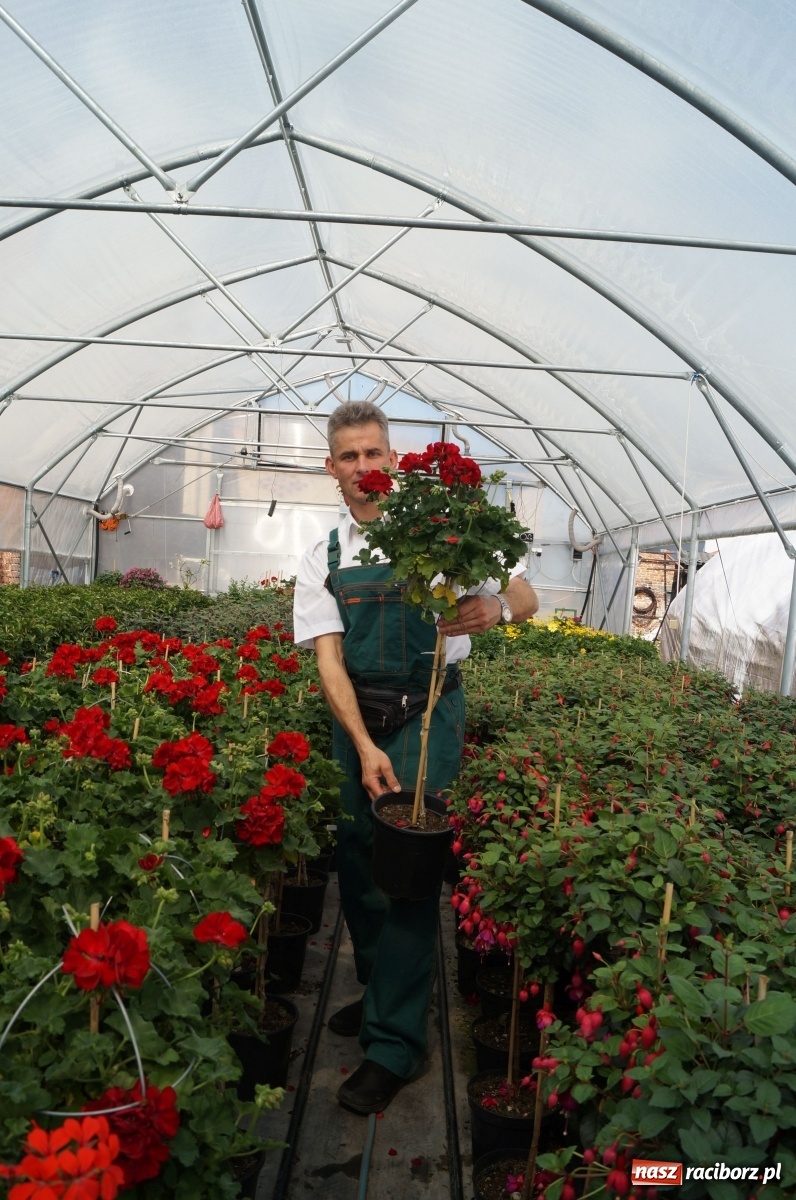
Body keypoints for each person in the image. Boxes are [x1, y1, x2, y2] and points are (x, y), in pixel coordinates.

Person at [293, 401, 538, 1114]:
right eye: (350, 458)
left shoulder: (444, 531)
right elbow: (329, 663)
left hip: (428, 715)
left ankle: (396, 1043)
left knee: (408, 866)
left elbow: (525, 589)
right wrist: (363, 745)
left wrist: (499, 610)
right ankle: (381, 997)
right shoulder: (325, 554)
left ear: (393, 460)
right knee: (358, 859)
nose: (365, 469)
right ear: (332, 470)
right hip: (357, 724)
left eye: (375, 454)